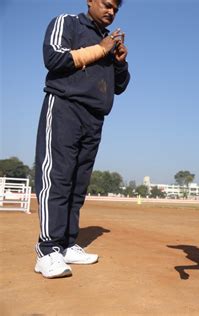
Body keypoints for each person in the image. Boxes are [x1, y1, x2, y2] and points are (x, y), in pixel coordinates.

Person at [34, 0, 130, 278]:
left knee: (78, 182)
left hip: (95, 116)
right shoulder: (68, 22)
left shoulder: (108, 41)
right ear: (90, 0)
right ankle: (47, 250)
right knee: (58, 177)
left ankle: (66, 244)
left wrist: (120, 62)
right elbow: (53, 58)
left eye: (116, 9)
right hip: (65, 105)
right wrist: (100, 50)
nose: (111, 11)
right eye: (107, 4)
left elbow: (120, 86)